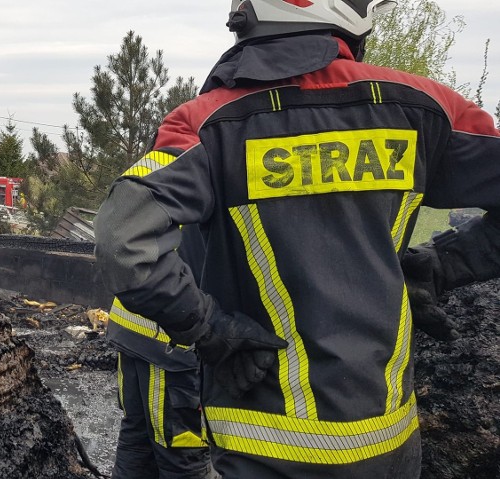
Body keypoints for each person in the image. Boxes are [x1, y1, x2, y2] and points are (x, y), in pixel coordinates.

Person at [93, 1, 500, 478]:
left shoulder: (208, 124)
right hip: (388, 443)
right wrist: (443, 263)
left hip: (267, 449)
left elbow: (123, 236)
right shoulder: (425, 107)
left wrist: (210, 329)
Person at [108, 223, 217, 479]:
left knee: (138, 442)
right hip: (172, 342)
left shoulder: (148, 183)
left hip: (131, 330)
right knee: (184, 456)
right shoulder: (212, 183)